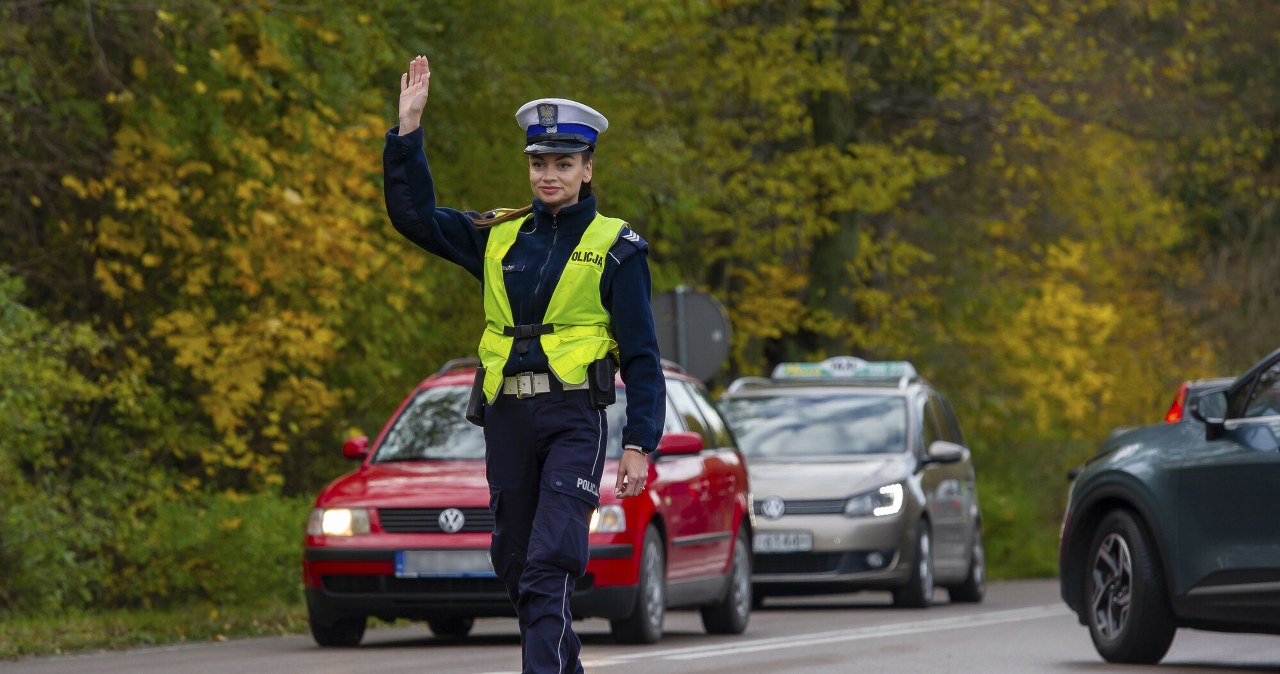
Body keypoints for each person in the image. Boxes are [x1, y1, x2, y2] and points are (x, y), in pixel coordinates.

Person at [383, 55, 666, 673]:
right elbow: (415, 218)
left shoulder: (617, 248)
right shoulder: (500, 235)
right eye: (539, 163)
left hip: (572, 418)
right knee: (515, 563)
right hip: (508, 415)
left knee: (549, 563)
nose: (549, 174)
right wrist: (408, 131)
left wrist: (641, 442)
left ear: (587, 168)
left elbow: (643, 358)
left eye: (564, 163)